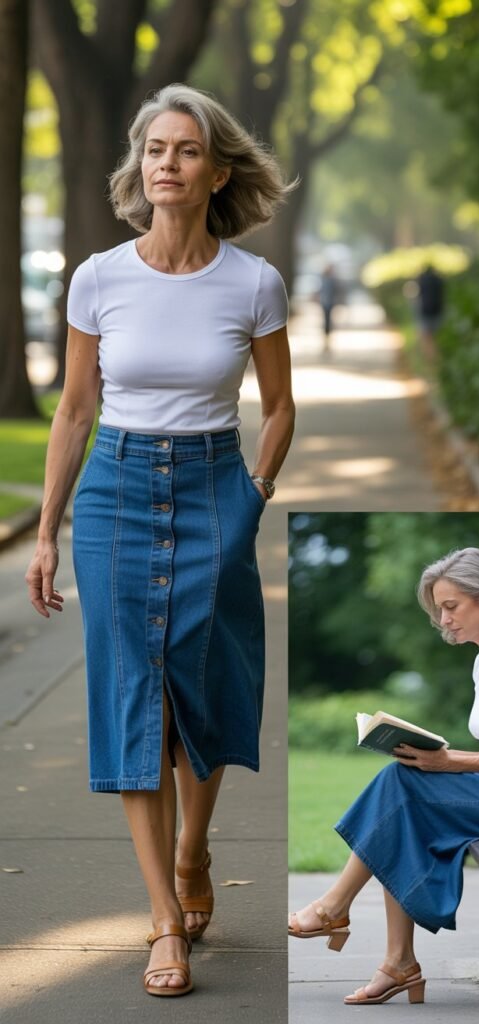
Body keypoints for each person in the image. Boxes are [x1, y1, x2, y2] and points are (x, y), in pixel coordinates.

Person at [25, 83, 296, 998]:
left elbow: (280, 404)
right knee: (134, 695)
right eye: (154, 149)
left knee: (202, 689)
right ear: (139, 168)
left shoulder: (253, 282)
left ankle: (193, 849)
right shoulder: (98, 276)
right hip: (115, 492)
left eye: (184, 150)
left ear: (216, 171)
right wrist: (49, 533)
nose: (166, 164)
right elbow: (74, 409)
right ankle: (165, 920)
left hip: (216, 483)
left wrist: (254, 494)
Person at [288, 547, 479, 1006]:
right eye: (438, 608)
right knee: (402, 804)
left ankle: (335, 908)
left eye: (451, 606)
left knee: (401, 786)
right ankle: (397, 964)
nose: (443, 619)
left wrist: (448, 761)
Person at [416, 264, 444, 361]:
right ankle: (437, 357)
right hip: (437, 310)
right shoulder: (438, 280)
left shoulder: (422, 280)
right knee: (437, 336)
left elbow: (418, 295)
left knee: (426, 336)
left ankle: (428, 358)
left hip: (425, 311)